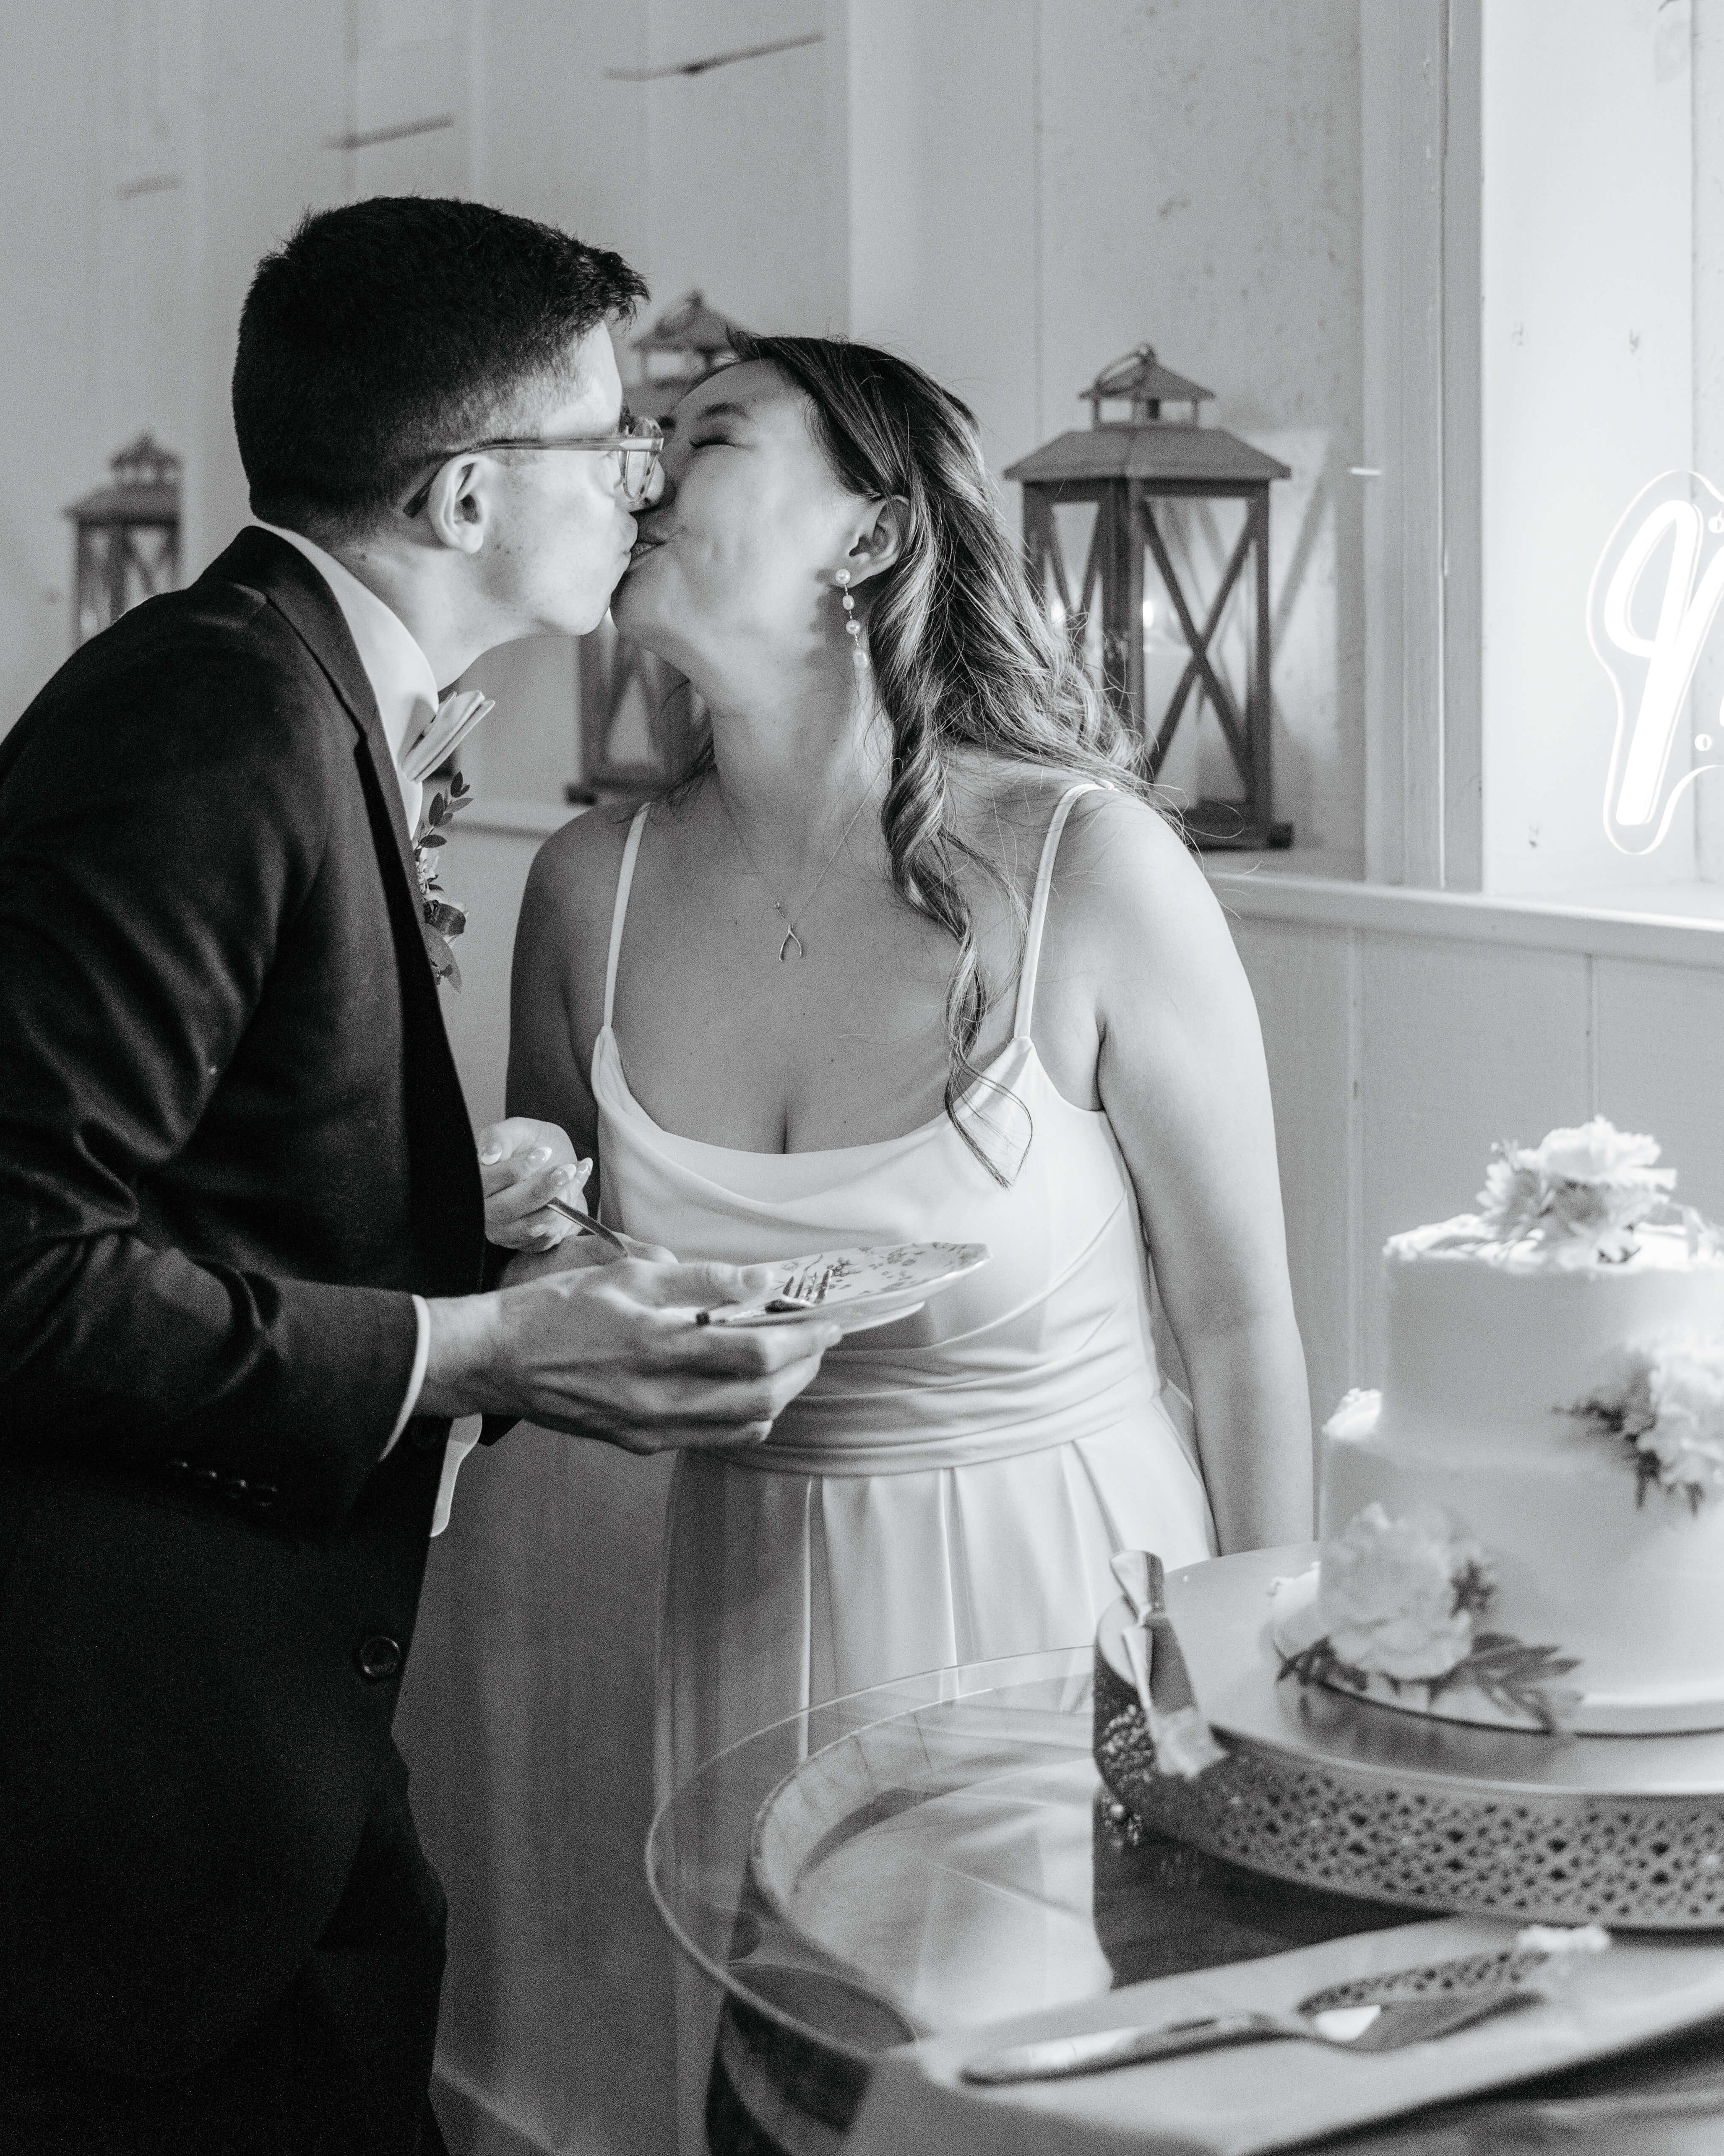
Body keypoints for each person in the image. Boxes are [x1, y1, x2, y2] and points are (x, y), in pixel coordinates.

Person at [0, 199, 843, 2156]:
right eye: (615, 439)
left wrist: (429, 1210)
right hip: (136, 1759)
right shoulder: (214, 721)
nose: (645, 483)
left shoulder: (285, 691)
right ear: (471, 485)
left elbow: (173, 1168)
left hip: (241, 1742)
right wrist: (471, 1350)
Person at [502, 335, 1311, 1810]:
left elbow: (1240, 1325)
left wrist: (1257, 1701)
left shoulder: (1093, 866)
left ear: (868, 536)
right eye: (639, 449)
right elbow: (550, 1274)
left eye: (708, 442)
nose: (642, 481)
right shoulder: (584, 892)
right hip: (745, 1612)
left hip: (1065, 1608)